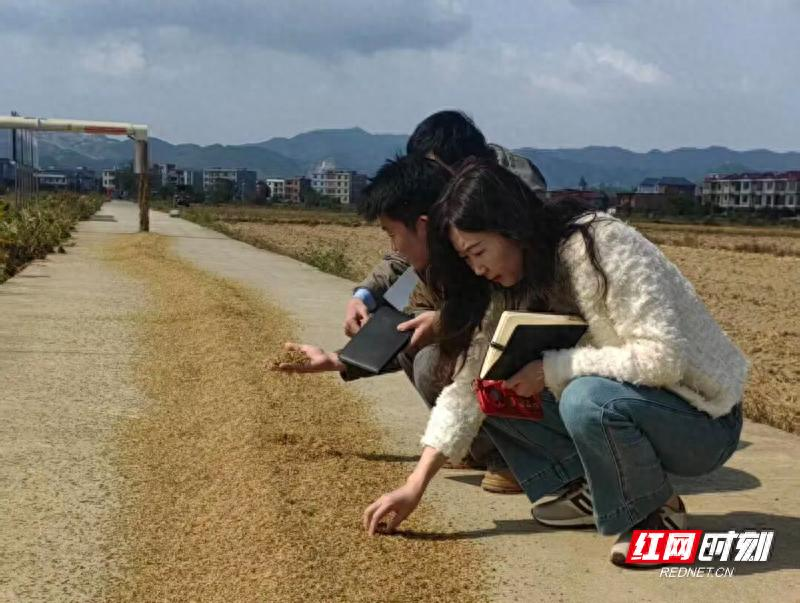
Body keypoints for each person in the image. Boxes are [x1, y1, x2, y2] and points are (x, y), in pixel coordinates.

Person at [362, 159, 747, 568]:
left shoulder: (600, 247)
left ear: (511, 227)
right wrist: (414, 485)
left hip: (701, 420)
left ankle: (659, 512)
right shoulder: (507, 285)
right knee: (492, 385)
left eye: (479, 252)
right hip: (632, 405)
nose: (478, 268)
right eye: (467, 259)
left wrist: (553, 370)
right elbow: (467, 387)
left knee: (586, 397)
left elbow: (662, 360)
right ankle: (595, 489)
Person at [274, 153, 518, 488]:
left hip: (533, 374)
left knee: (433, 359)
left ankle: (509, 457)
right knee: (418, 348)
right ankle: (475, 444)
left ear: (422, 225)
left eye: (391, 233)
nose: (394, 247)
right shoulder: (432, 270)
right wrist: (338, 360)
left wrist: (448, 323)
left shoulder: (482, 262)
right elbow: (406, 330)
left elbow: (503, 326)